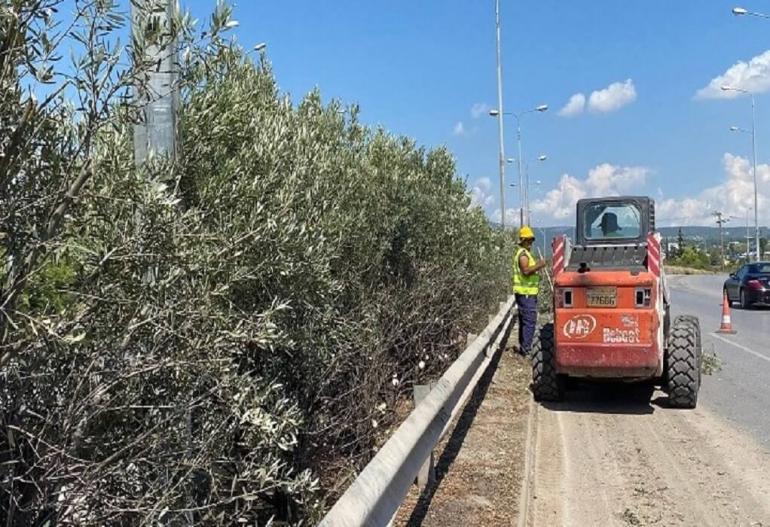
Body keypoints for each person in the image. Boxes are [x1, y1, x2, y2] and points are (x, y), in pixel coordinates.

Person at [512, 226, 547, 356]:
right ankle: (526, 349)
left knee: (524, 320)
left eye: (531, 240)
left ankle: (524, 347)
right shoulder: (522, 255)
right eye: (528, 240)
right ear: (523, 240)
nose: (530, 243)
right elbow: (526, 271)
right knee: (529, 321)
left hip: (526, 293)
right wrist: (540, 264)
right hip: (526, 294)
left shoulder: (525, 253)